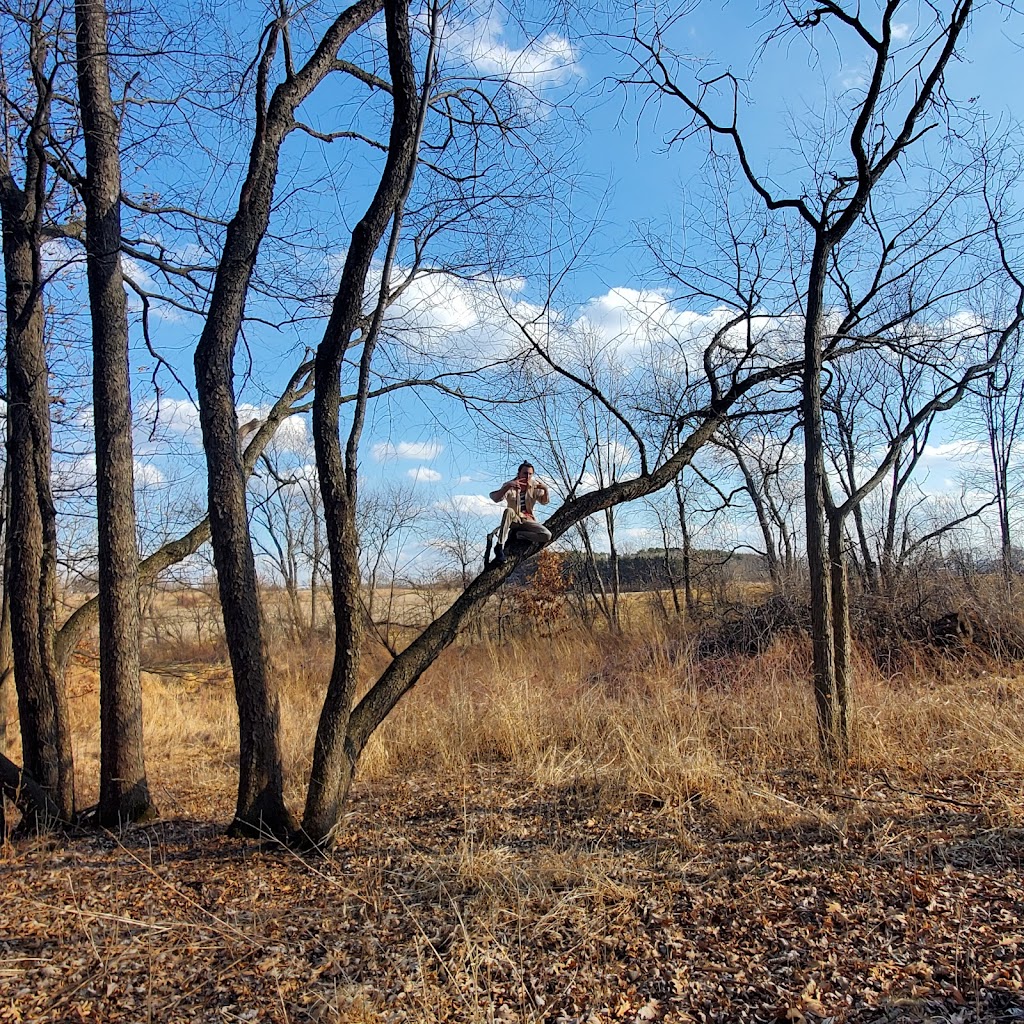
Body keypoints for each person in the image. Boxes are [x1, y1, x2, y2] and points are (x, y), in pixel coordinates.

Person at [488, 461, 552, 563]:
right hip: (514, 519)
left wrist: (545, 489)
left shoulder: (534, 485)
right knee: (508, 511)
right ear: (519, 473)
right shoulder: (510, 485)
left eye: (530, 474)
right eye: (525, 473)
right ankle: (499, 546)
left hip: (528, 520)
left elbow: (544, 502)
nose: (527, 476)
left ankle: (519, 535)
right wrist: (508, 486)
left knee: (547, 535)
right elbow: (495, 498)